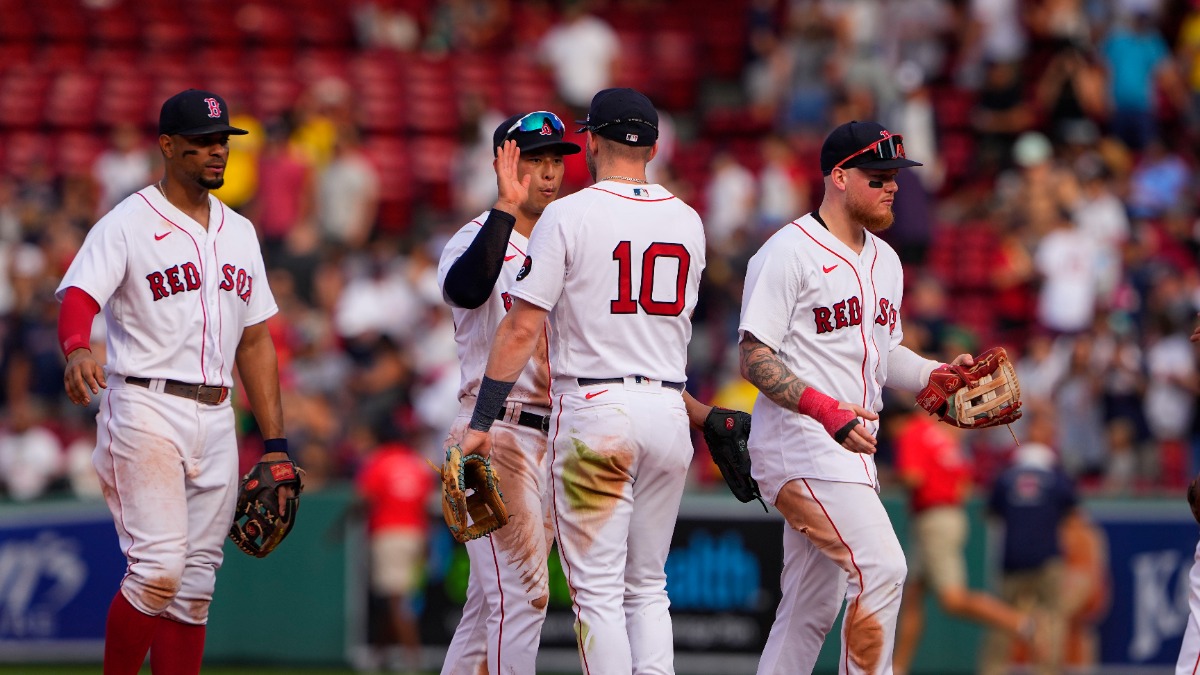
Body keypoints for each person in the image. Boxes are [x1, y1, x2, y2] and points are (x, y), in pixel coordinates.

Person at [456, 87, 714, 673]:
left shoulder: (571, 213)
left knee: (596, 593)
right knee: (648, 587)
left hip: (595, 408)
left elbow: (522, 330)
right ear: (651, 145)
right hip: (669, 409)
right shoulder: (688, 218)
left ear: (592, 142)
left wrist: (479, 422)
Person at [56, 89, 295, 675]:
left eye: (223, 142)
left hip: (216, 414)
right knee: (159, 569)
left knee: (193, 591)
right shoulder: (130, 221)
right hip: (145, 404)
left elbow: (256, 340)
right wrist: (76, 347)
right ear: (168, 146)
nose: (217, 153)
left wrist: (276, 446)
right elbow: (81, 293)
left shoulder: (241, 231)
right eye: (202, 143)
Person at [738, 120, 974, 675]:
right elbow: (752, 357)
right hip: (801, 445)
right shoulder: (788, 251)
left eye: (895, 176)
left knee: (807, 610)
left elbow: (884, 352)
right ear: (839, 176)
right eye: (878, 176)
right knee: (883, 566)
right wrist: (826, 410)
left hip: (850, 455)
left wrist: (938, 373)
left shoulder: (886, 260)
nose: (892, 186)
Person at [438, 109, 581, 675]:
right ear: (504, 163)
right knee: (522, 598)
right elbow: (466, 289)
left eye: (554, 160)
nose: (547, 172)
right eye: (532, 159)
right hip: (487, 435)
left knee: (487, 608)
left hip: (553, 437)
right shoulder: (474, 237)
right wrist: (504, 204)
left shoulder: (566, 241)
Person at [891, 406, 1036, 675]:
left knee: (953, 600)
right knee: (913, 596)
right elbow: (964, 483)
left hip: (934, 520)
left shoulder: (912, 432)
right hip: (948, 516)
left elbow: (913, 477)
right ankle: (897, 667)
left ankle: (1021, 623)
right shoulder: (943, 435)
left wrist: (887, 476)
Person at [979, 405, 1078, 675]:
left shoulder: (1007, 474)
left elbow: (992, 511)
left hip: (1015, 559)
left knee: (1004, 624)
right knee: (1049, 623)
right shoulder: (1057, 476)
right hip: (1044, 559)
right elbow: (1071, 511)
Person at [355, 417, 435, 673]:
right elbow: (427, 505)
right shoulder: (417, 463)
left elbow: (364, 498)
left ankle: (413, 658)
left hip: (388, 534)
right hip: (415, 534)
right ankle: (380, 655)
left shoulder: (379, 461)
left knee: (397, 600)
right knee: (392, 598)